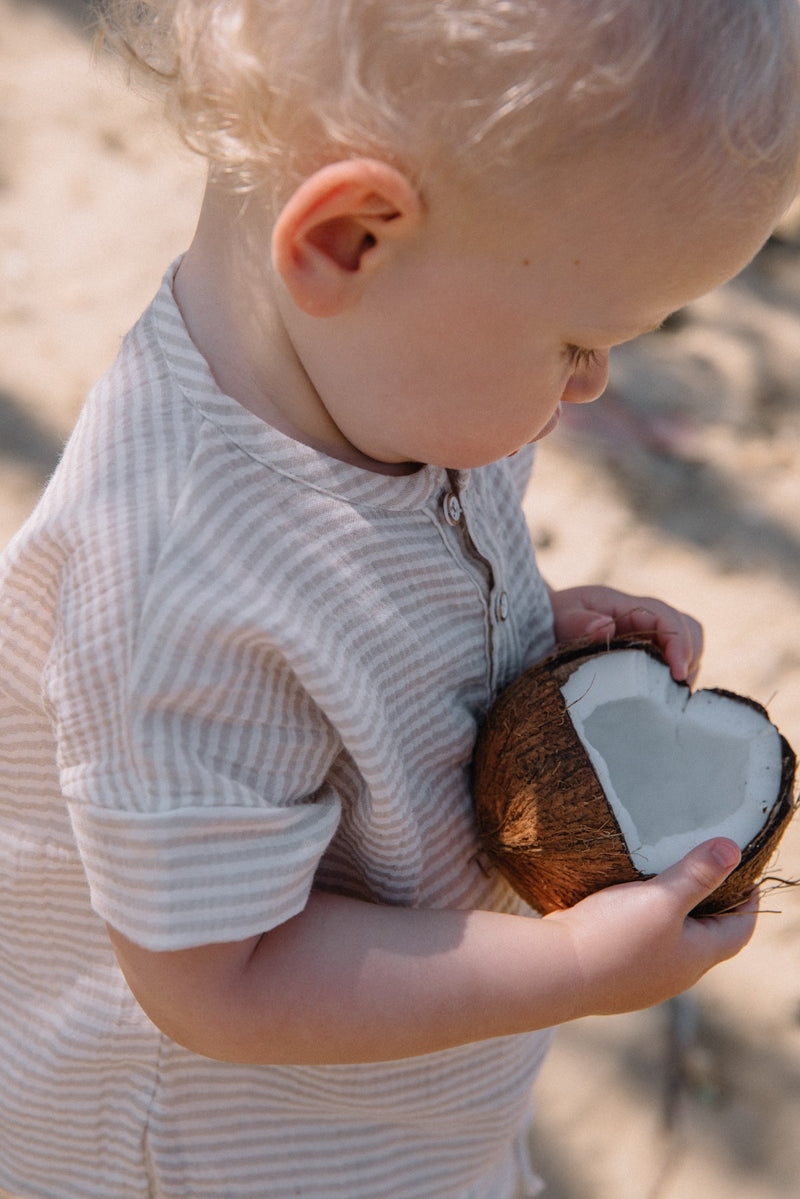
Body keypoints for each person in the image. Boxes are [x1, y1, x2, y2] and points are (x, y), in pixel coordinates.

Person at [1, 1, 799, 1196]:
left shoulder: (385, 380)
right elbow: (218, 978)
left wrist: (530, 627)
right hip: (241, 1155)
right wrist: (572, 967)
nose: (590, 383)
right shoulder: (181, 575)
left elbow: (366, 636)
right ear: (350, 241)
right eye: (578, 338)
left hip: (408, 1112)